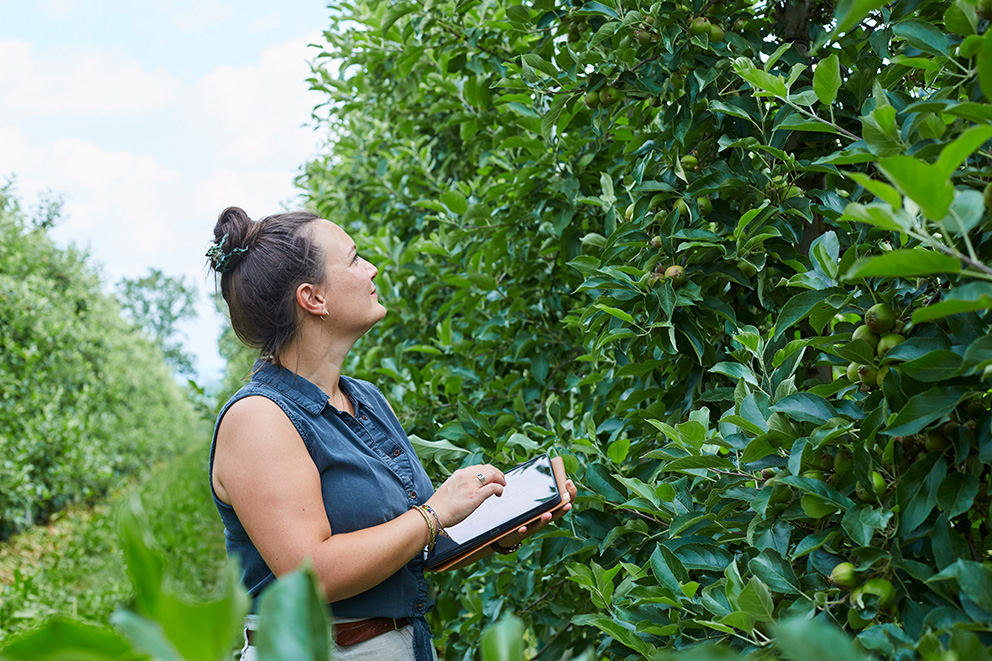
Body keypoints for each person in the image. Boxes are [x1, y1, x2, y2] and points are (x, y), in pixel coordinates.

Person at [205, 207, 576, 661]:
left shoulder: (365, 400)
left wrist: (497, 528)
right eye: (355, 259)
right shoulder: (259, 419)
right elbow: (312, 573)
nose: (372, 268)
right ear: (313, 298)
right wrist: (435, 512)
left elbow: (410, 542)